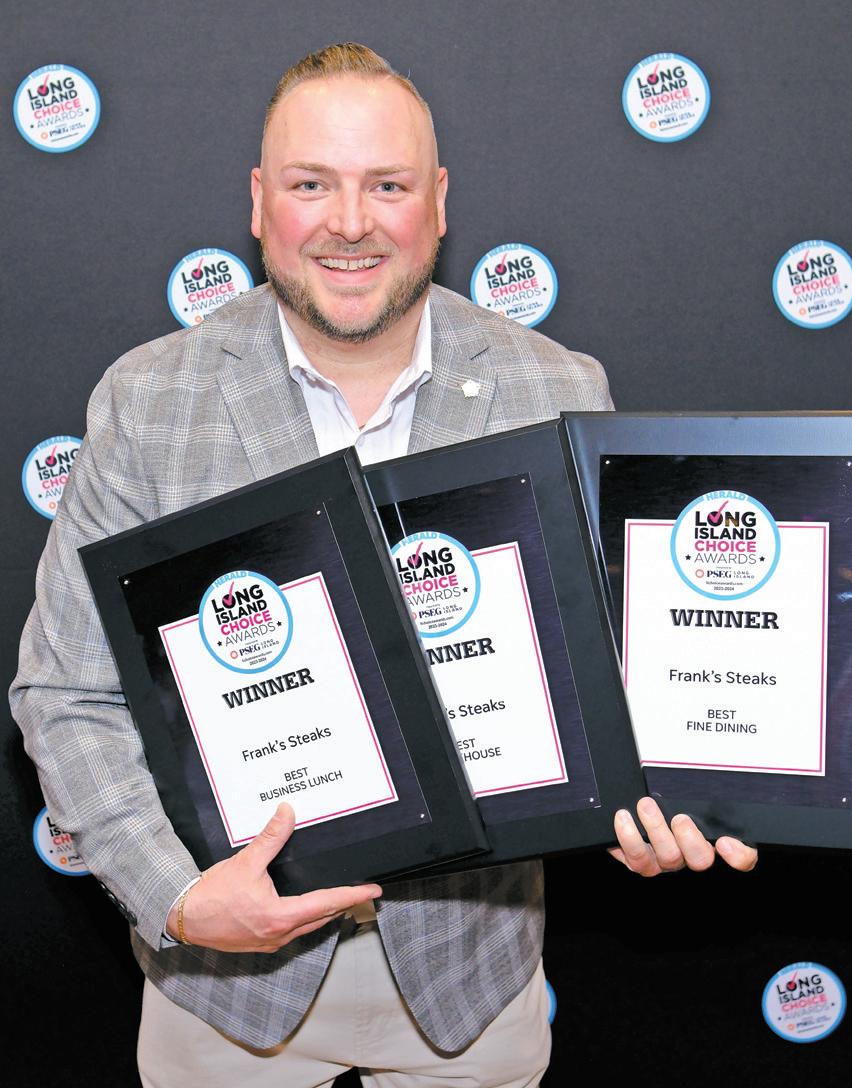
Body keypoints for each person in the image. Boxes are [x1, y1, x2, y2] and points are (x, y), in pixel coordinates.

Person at [11, 43, 757, 1087]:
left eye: (388, 186)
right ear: (259, 202)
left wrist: (669, 798)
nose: (351, 222)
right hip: (226, 989)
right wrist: (178, 897)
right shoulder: (150, 402)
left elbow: (622, 684)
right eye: (312, 184)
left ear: (439, 203)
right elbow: (66, 691)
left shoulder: (555, 390)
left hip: (470, 976)